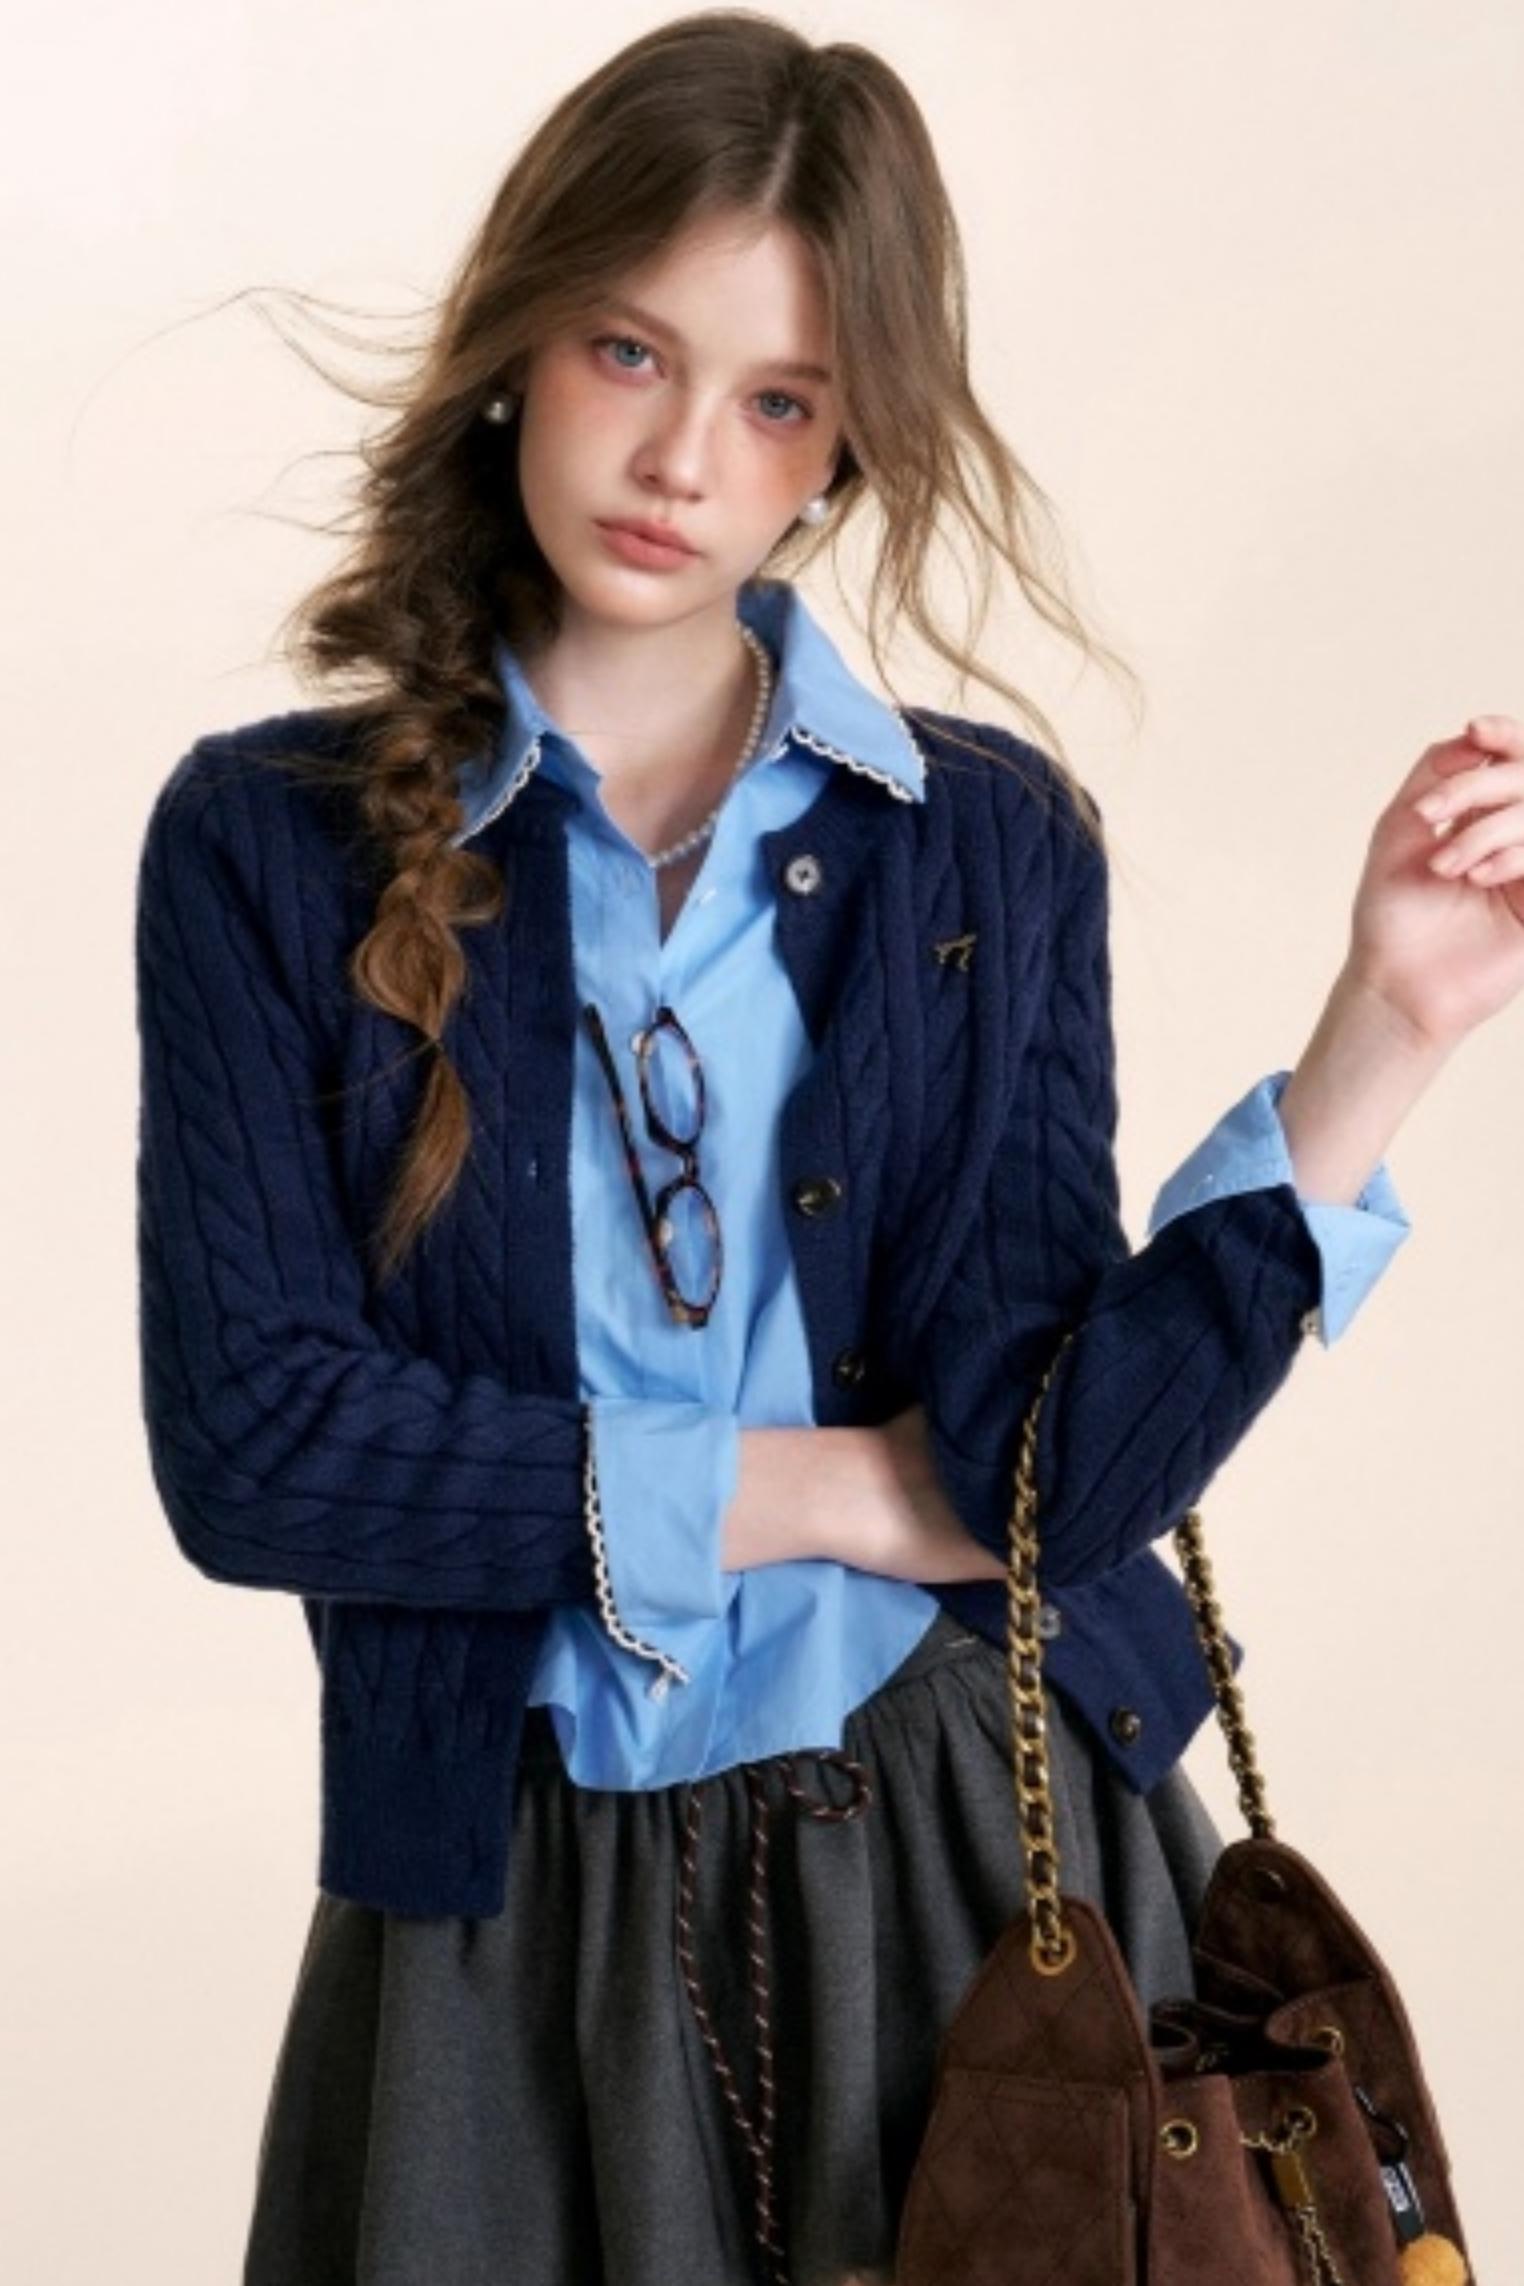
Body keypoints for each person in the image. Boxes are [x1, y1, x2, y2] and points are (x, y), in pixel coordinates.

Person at [132, 13, 1523, 2285]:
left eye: (779, 400)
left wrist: (1386, 1027)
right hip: (503, 1913)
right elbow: (261, 1446)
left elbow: (1058, 1471)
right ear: (520, 342)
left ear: (848, 447)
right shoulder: (263, 845)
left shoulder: (981, 842)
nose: (683, 457)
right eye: (629, 350)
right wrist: (838, 1492)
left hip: (982, 1876)